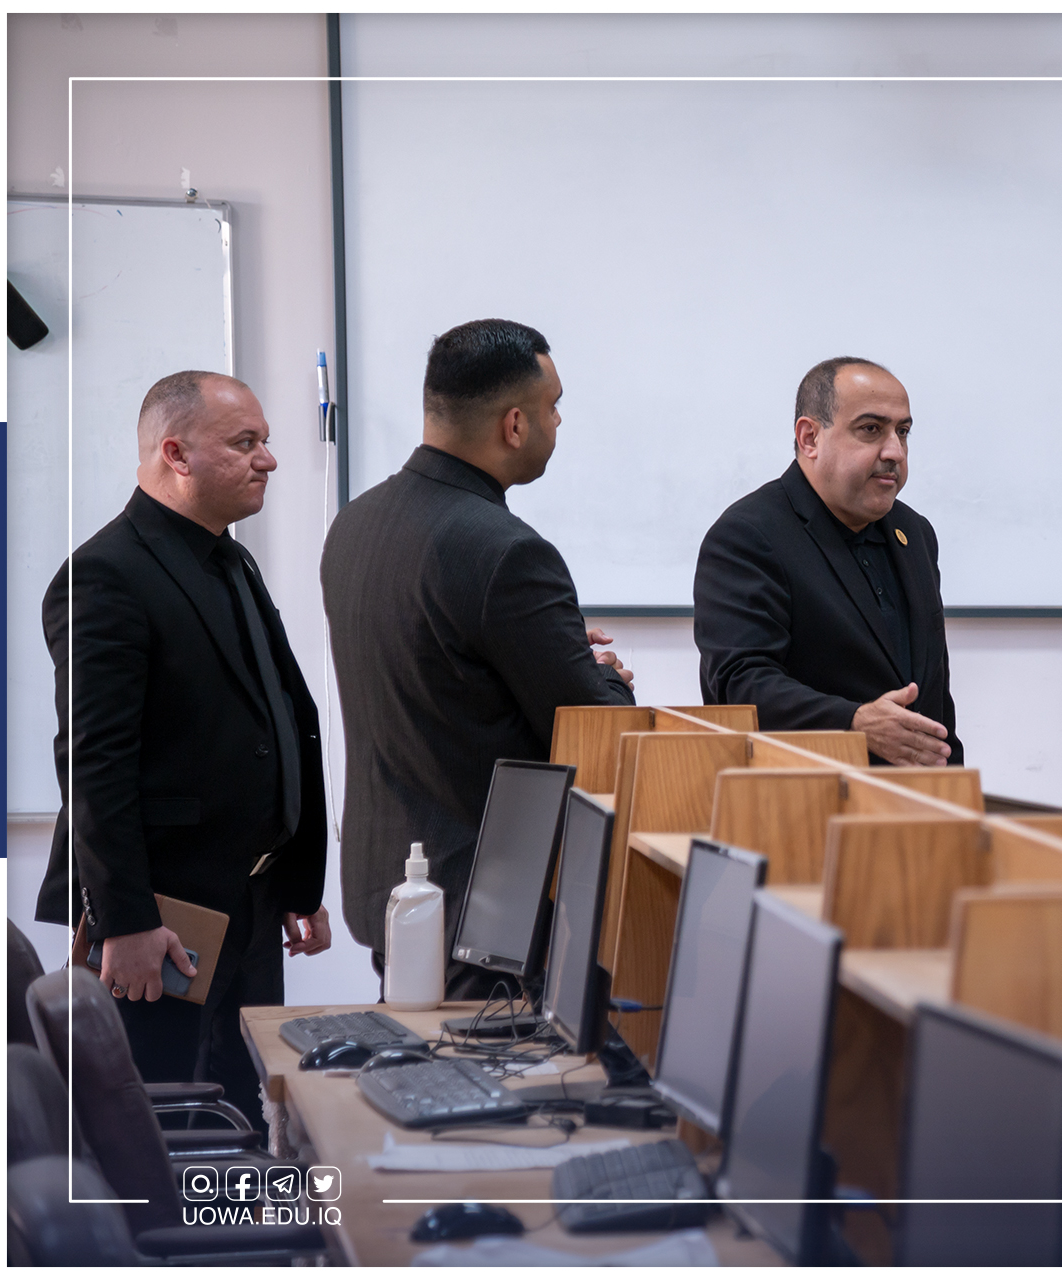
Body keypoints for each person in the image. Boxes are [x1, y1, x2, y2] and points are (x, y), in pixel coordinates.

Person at [37, 371, 331, 1127]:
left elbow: (270, 720)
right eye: (246, 442)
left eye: (266, 441)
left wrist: (295, 883)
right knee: (166, 1115)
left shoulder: (230, 557)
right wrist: (125, 920)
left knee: (241, 1100)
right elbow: (93, 765)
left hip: (250, 900)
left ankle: (246, 1207)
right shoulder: (105, 574)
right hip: (164, 916)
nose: (268, 459)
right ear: (176, 453)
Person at [322, 319, 633, 1000]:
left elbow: (443, 672)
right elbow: (593, 725)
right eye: (553, 407)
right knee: (489, 1072)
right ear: (515, 424)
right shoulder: (507, 551)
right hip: (482, 911)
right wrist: (606, 677)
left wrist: (546, 650)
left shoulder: (356, 523)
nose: (558, 421)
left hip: (395, 890)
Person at [694, 357, 961, 767]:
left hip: (918, 796)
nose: (895, 451)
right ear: (810, 438)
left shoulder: (914, 533)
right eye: (871, 429)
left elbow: (935, 692)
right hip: (802, 794)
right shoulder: (748, 535)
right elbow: (739, 686)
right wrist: (853, 722)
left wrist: (953, 787)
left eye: (903, 432)